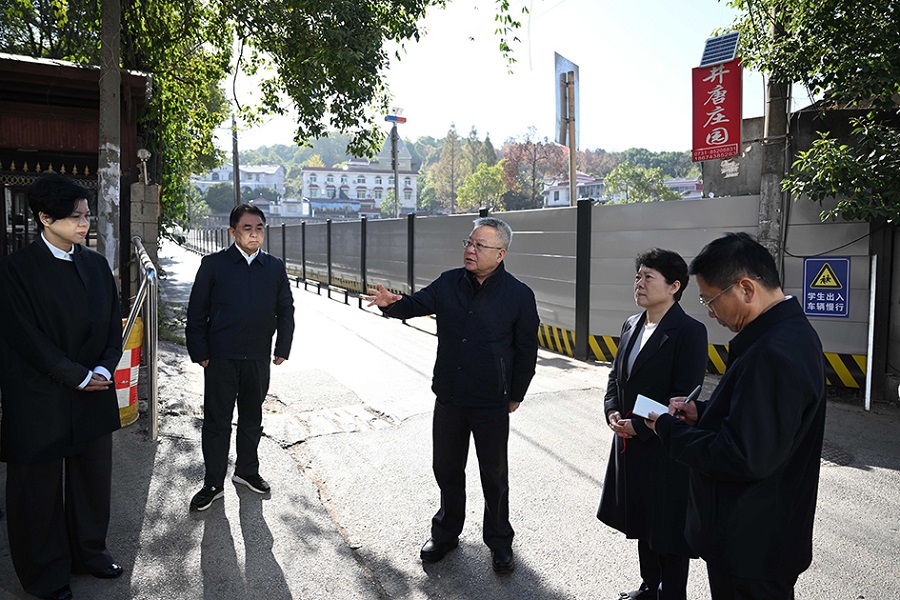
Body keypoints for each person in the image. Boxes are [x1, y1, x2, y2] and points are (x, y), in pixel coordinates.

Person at [648, 232, 827, 600]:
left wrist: (668, 429)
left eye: (710, 299)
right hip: (759, 538)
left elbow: (743, 455)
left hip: (752, 547)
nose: (710, 311)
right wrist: (702, 413)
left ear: (746, 288)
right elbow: (761, 422)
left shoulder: (774, 352)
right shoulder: (782, 334)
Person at [364, 217, 539, 574]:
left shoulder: (519, 295)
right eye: (469, 243)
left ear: (500, 254)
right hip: (450, 397)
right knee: (446, 469)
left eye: (479, 245)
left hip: (491, 400)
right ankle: (445, 533)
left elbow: (526, 350)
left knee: (494, 475)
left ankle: (499, 541)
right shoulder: (449, 282)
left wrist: (516, 393)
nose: (470, 250)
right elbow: (415, 303)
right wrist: (390, 304)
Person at [0, 173, 124, 600]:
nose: (84, 224)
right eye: (75, 217)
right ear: (45, 218)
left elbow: (112, 327)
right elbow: (26, 338)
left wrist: (105, 367)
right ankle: (45, 574)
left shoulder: (95, 265)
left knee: (92, 480)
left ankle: (90, 552)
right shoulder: (16, 270)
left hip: (94, 388)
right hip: (39, 394)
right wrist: (78, 376)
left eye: (87, 215)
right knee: (38, 490)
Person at [597, 249, 708, 600]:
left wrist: (642, 427)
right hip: (628, 443)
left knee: (668, 530)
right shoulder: (631, 324)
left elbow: (683, 397)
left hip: (664, 447)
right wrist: (612, 411)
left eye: (648, 277)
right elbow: (616, 378)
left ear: (674, 286)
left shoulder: (689, 331)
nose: (639, 284)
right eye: (637, 276)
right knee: (642, 521)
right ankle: (649, 587)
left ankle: (671, 594)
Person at [186, 203, 295, 511]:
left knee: (252, 417)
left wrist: (282, 347)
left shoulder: (274, 267)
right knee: (217, 421)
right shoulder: (214, 265)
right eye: (247, 228)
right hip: (220, 356)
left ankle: (247, 470)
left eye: (259, 228)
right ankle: (212, 483)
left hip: (258, 356)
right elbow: (197, 311)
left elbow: (286, 310)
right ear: (233, 231)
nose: (254, 234)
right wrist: (200, 351)